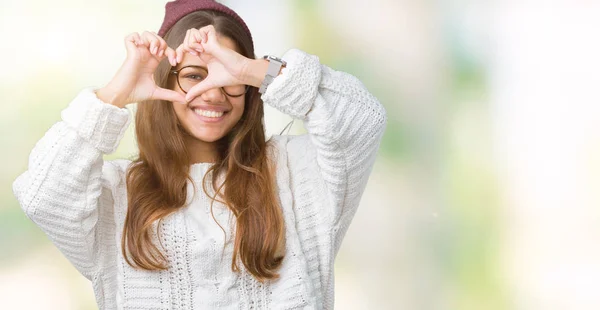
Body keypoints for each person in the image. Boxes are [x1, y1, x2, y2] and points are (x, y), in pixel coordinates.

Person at [12, 0, 386, 308]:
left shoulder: (297, 173)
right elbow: (43, 196)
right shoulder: (116, 194)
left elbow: (363, 120)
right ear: (162, 81)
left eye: (228, 76)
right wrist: (115, 93)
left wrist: (253, 69)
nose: (213, 92)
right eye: (194, 75)